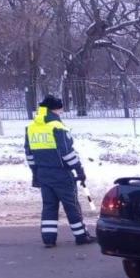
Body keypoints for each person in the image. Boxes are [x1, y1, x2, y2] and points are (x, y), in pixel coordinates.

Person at [25, 95, 95, 248]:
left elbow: (29, 154)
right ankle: (81, 236)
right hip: (61, 174)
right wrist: (79, 169)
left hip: (43, 174)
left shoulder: (31, 128)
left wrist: (35, 173)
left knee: (49, 206)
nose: (62, 111)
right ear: (55, 109)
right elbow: (67, 153)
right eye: (61, 108)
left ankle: (49, 239)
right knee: (71, 205)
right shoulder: (57, 126)